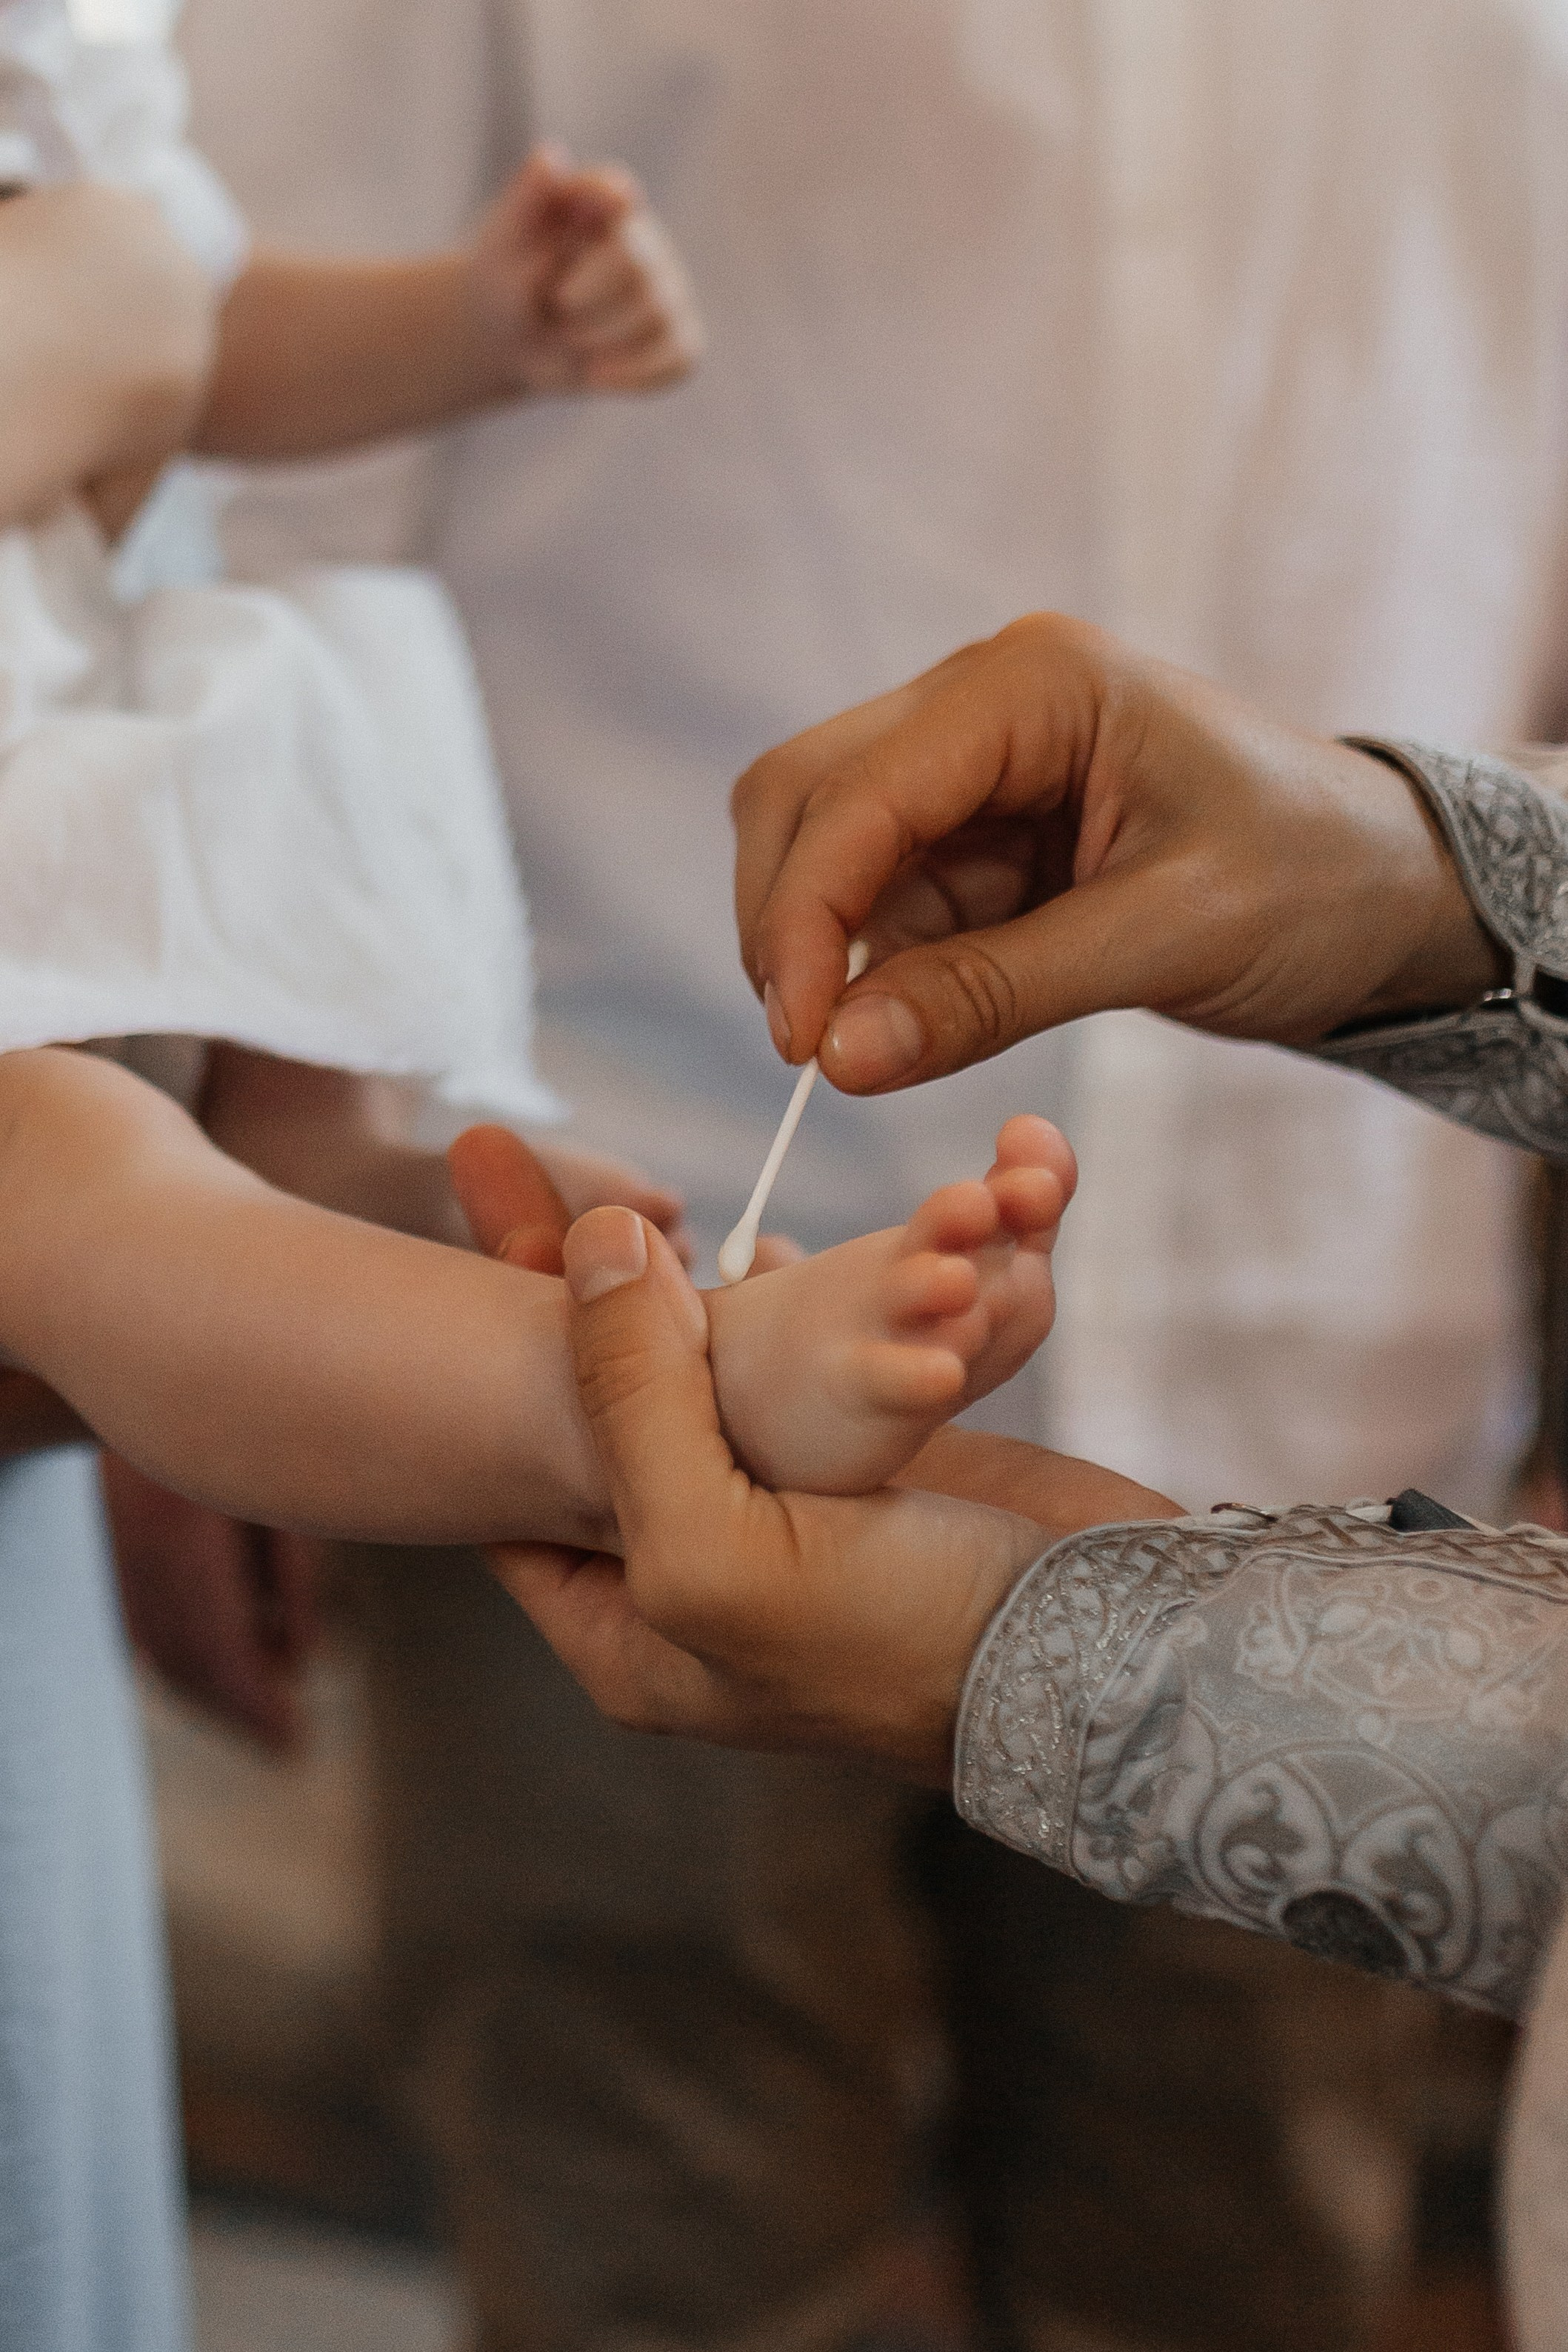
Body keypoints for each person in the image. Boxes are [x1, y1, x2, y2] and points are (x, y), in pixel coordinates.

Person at [489, 614, 1568, 2352]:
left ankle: (804, 1360)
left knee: (1221, 2249)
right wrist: (1426, 876)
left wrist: (1055, 1648)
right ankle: (800, 1359)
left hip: (1320, 1350)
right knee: (675, 2210)